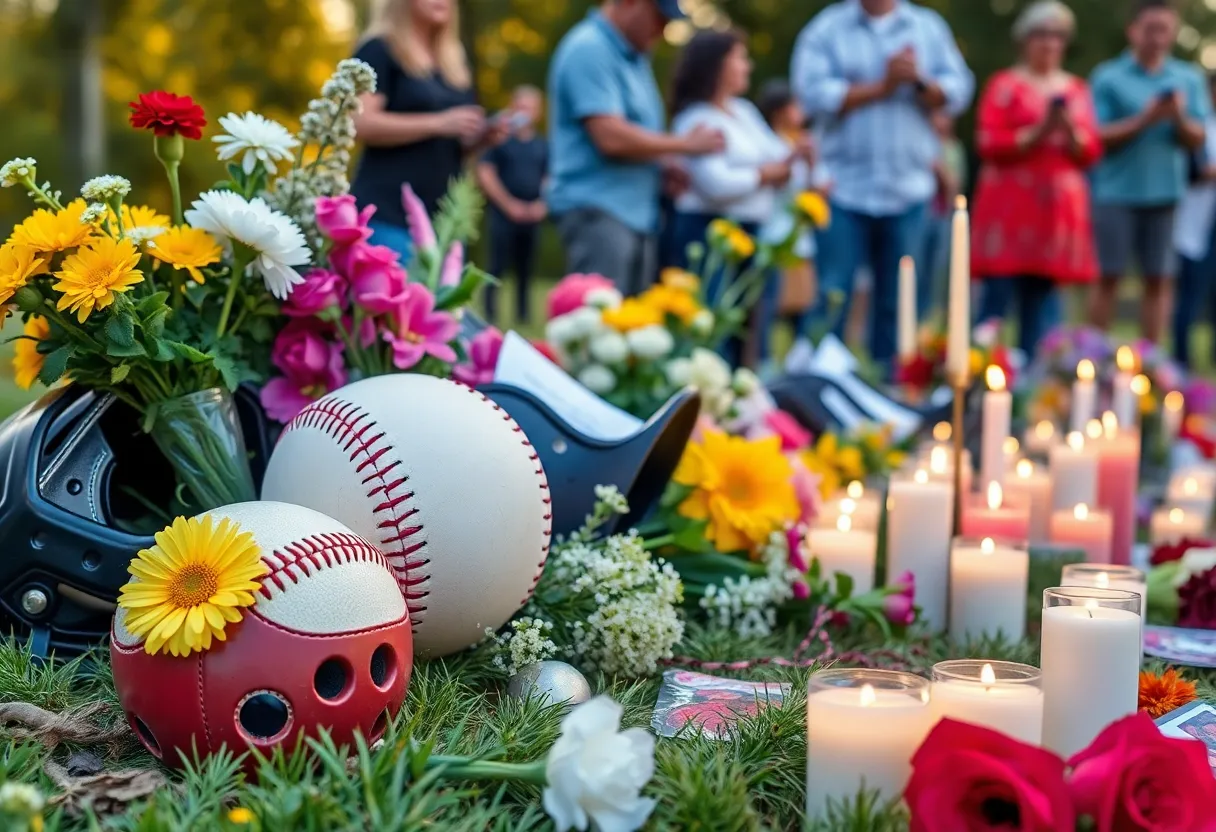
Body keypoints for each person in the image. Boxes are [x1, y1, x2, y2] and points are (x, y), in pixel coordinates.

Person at [791, 0, 974, 370]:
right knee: (832, 296)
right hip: (842, 189)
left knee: (901, 302)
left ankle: (894, 392)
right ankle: (820, 390)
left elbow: (959, 91)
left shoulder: (927, 27)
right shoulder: (827, 29)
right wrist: (882, 86)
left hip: (908, 189)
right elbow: (810, 95)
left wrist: (919, 81)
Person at [546, 0, 726, 297]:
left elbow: (635, 132)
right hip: (600, 212)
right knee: (597, 330)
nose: (664, 29)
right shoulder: (589, 49)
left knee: (627, 331)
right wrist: (685, 145)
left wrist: (663, 164)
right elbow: (610, 137)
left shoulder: (634, 58)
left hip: (633, 215)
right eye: (659, 17)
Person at [669, 32, 810, 367]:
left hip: (750, 233)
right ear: (718, 66)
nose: (748, 65)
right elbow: (715, 184)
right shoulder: (696, 119)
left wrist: (781, 165)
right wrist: (765, 175)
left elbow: (780, 158)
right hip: (708, 233)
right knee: (710, 326)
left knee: (748, 329)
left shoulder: (744, 112)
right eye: (740, 58)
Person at [971, 1, 1102, 358]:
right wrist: (1037, 131)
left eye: (1056, 36)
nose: (1048, 43)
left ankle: (1033, 381)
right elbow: (987, 141)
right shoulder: (1005, 85)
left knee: (1043, 307)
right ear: (1024, 40)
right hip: (1010, 209)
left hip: (1054, 215)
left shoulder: (1076, 90)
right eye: (1040, 35)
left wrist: (1070, 132)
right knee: (996, 301)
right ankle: (980, 372)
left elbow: (1091, 149)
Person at [1089, 0, 1209, 343]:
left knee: (1159, 279)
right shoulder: (1108, 77)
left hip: (1166, 193)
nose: (1158, 38)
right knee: (1108, 277)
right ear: (1133, 30)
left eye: (1165, 29)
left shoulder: (1187, 78)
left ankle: (1149, 365)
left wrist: (1177, 117)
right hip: (1115, 193)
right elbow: (1096, 135)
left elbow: (1197, 137)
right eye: (1151, 29)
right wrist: (1146, 118)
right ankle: (1094, 363)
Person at [351, 0, 505, 261]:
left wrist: (476, 140)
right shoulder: (379, 49)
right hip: (388, 215)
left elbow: (443, 141)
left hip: (444, 222)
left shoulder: (453, 62)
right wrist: (439, 123)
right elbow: (359, 122)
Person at [758, 79, 829, 339]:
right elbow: (772, 179)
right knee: (770, 309)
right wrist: (793, 157)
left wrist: (811, 164)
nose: (802, 112)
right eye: (795, 106)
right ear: (780, 111)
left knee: (802, 314)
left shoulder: (803, 142)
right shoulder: (765, 142)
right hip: (773, 237)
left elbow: (816, 193)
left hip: (800, 242)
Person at [476, 86, 548, 325]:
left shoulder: (542, 145)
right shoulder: (500, 142)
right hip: (503, 213)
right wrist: (509, 205)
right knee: (496, 266)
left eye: (531, 107)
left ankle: (523, 316)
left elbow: (550, 177)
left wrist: (541, 204)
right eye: (521, 106)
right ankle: (490, 313)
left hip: (532, 215)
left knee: (526, 269)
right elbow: (486, 173)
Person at [1171, 72, 1216, 368]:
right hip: (1194, 221)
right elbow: (1193, 172)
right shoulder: (1197, 126)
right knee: (1190, 293)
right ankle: (1181, 358)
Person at [918, 111, 967, 322]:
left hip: (941, 217)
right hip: (919, 216)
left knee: (937, 272)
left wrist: (941, 172)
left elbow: (955, 188)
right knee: (914, 270)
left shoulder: (953, 149)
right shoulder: (918, 143)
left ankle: (931, 318)